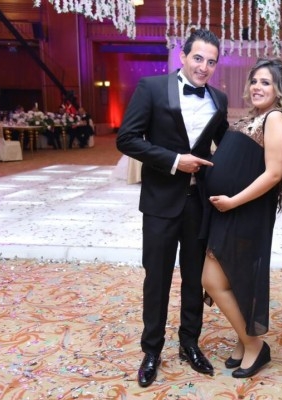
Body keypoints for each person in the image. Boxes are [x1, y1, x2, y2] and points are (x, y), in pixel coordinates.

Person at [116, 29, 229, 387]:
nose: (204, 67)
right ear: (183, 56)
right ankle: (151, 350)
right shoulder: (151, 88)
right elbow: (127, 139)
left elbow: (226, 147)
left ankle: (189, 344)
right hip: (160, 202)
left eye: (211, 61)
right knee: (158, 278)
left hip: (199, 203)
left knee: (195, 278)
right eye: (198, 58)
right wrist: (175, 161)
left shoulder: (219, 99)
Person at [200, 58, 282, 379]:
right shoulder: (253, 116)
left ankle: (254, 345)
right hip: (229, 209)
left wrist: (233, 201)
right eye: (254, 81)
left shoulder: (275, 118)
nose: (257, 87)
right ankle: (245, 341)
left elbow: (274, 173)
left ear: (279, 89)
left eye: (265, 82)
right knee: (231, 279)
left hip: (246, 210)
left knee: (213, 280)